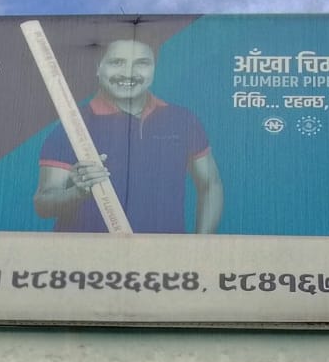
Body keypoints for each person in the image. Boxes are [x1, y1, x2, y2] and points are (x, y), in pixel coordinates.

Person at [34, 37, 223, 234]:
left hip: (161, 252)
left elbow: (211, 184)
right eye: (117, 62)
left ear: (154, 68)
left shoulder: (182, 120)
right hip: (89, 252)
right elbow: (43, 203)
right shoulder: (73, 127)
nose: (128, 73)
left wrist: (202, 244)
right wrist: (78, 192)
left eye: (142, 63)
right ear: (98, 68)